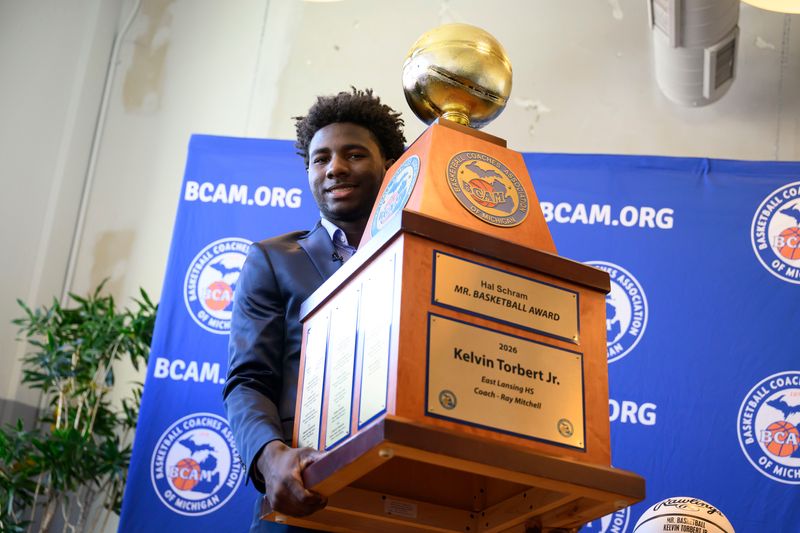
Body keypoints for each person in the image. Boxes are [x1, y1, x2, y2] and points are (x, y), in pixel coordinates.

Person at [223, 88, 406, 532]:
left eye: (355, 154)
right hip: (307, 502)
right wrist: (271, 459)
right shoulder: (271, 259)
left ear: (390, 166)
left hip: (409, 501)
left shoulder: (422, 257)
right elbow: (249, 382)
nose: (335, 168)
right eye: (320, 159)